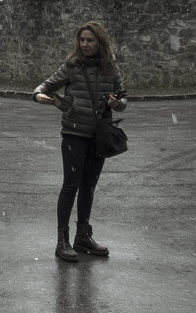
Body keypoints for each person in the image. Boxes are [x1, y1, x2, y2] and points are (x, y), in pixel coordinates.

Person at [33, 21, 128, 262]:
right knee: (71, 185)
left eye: (90, 41)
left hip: (98, 135)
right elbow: (45, 85)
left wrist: (116, 103)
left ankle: (82, 236)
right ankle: (62, 240)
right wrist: (39, 95)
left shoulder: (111, 68)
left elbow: (123, 98)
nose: (85, 45)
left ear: (100, 43)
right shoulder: (71, 66)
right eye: (82, 40)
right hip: (74, 134)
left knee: (89, 187)